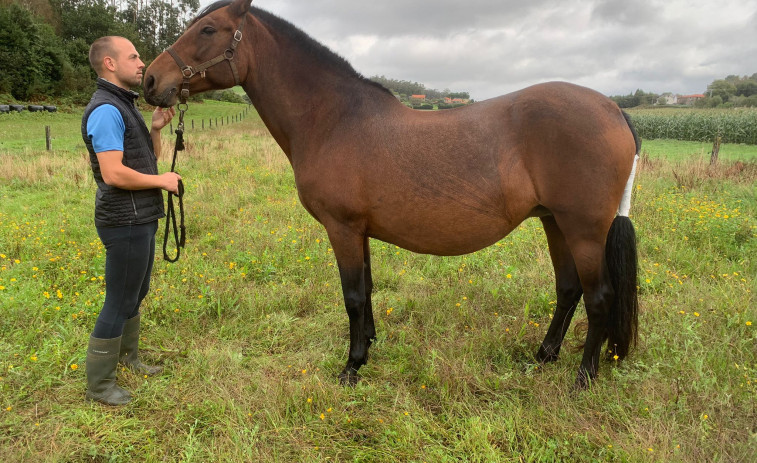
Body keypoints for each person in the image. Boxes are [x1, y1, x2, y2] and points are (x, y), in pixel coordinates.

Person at [81, 36, 181, 405]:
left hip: (139, 216)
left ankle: (129, 358)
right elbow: (113, 174)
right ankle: (100, 386)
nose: (142, 63)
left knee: (135, 293)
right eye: (134, 56)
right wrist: (162, 182)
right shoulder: (106, 109)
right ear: (109, 63)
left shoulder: (123, 105)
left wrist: (154, 129)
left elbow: (146, 160)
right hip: (124, 220)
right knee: (119, 300)